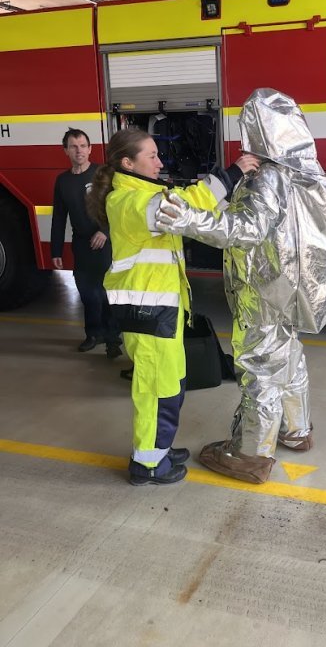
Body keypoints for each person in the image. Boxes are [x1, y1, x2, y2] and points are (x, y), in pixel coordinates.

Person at [156, 89, 326, 484]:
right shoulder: (304, 172)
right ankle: (296, 430)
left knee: (259, 368)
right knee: (289, 358)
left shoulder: (268, 176)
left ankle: (250, 455)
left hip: (261, 290)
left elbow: (245, 230)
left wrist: (187, 218)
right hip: (291, 289)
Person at [87, 127, 259, 486]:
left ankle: (159, 449)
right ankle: (148, 465)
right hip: (147, 314)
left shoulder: (145, 195)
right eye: (151, 156)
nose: (159, 162)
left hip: (161, 311)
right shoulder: (127, 201)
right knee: (156, 392)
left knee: (171, 384)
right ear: (127, 163)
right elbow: (178, 207)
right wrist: (229, 175)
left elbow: (187, 209)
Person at [51, 128, 122, 358]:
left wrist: (105, 232)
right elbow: (59, 217)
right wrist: (55, 250)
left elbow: (118, 207)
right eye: (73, 146)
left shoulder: (103, 174)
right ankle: (93, 334)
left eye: (83, 146)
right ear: (65, 151)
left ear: (90, 149)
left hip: (105, 243)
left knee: (106, 292)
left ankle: (113, 339)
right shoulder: (63, 181)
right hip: (81, 245)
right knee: (86, 292)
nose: (79, 150)